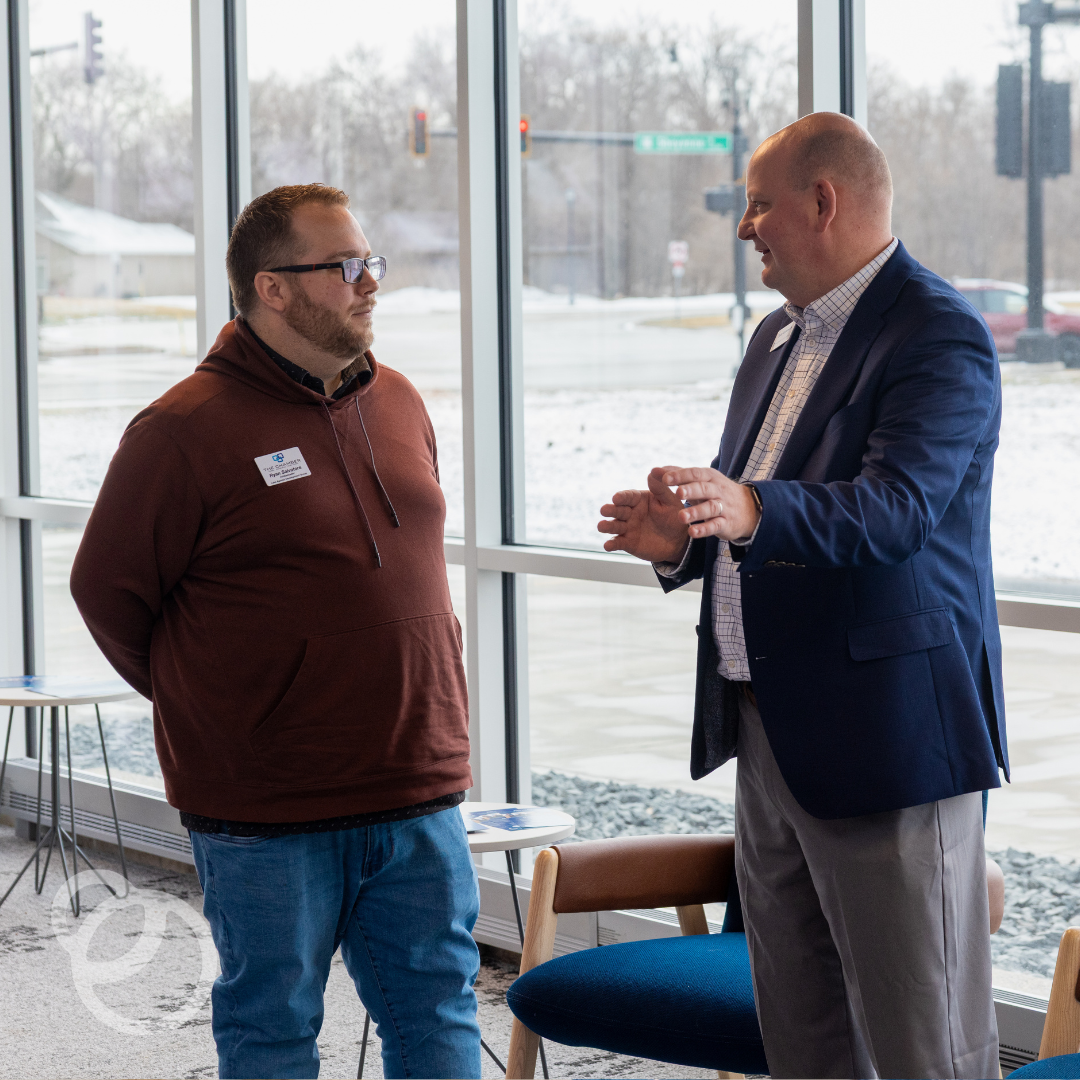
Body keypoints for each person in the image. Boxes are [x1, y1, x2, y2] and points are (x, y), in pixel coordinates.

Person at [598, 113, 1007, 1080]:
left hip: (888, 742)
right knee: (805, 1038)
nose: (746, 227)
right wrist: (686, 541)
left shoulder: (937, 333)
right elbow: (757, 515)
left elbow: (895, 513)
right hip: (766, 728)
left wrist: (744, 507)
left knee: (925, 1047)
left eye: (758, 204)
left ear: (823, 202)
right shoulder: (776, 338)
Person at [70, 184, 481, 1080]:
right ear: (274, 288)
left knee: (438, 1013)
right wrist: (226, 702)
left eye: (370, 261)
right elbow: (106, 592)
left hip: (418, 779)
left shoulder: (401, 400)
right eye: (343, 267)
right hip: (269, 808)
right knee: (273, 1029)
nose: (368, 282)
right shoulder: (181, 431)